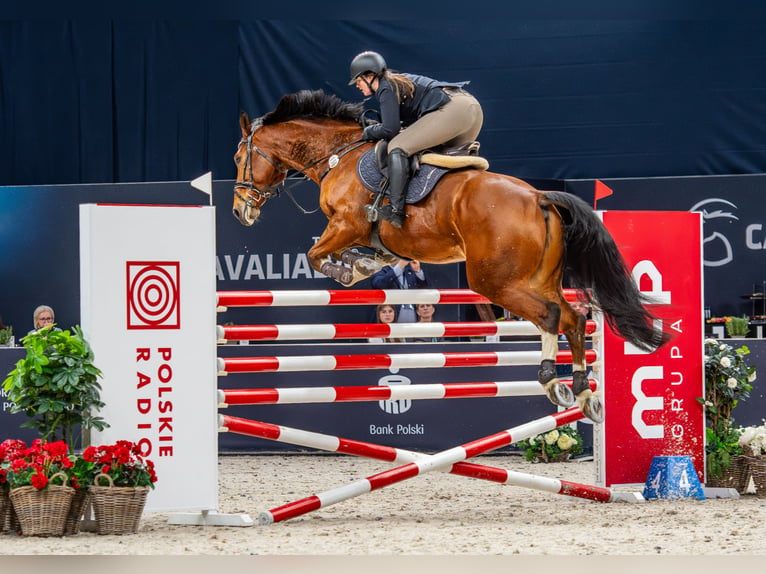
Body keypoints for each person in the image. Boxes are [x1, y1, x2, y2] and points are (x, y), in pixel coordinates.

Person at [348, 50, 484, 228]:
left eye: (358, 81)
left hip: (455, 110)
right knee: (432, 158)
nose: (358, 86)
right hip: (472, 110)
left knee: (397, 147)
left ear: (370, 75)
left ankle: (396, 210)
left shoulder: (385, 86)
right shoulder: (396, 81)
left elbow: (390, 130)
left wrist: (369, 132)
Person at [369, 259, 429, 323]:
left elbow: (425, 290)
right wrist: (399, 267)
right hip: (390, 316)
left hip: (413, 314)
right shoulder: (380, 270)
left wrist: (418, 271)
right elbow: (380, 285)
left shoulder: (410, 270)